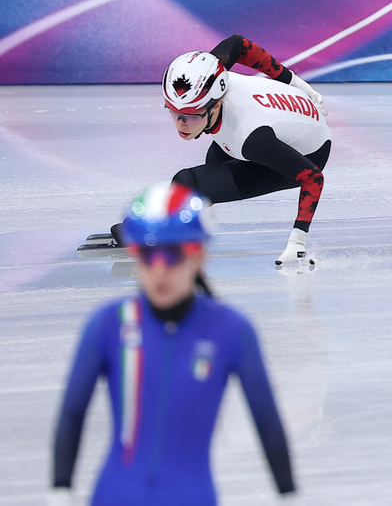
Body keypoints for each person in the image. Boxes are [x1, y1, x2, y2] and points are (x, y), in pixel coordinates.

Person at [52, 182, 296, 504]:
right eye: (147, 255)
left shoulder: (231, 331)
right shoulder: (108, 325)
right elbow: (72, 412)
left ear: (200, 255)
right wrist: (59, 492)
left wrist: (289, 496)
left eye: (173, 255)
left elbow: (266, 419)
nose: (160, 270)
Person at [113, 34, 330, 267]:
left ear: (215, 104)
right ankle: (178, 226)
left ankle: (163, 230)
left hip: (308, 152)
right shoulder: (211, 72)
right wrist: (293, 81)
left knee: (189, 182)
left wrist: (298, 239)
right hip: (279, 116)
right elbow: (239, 44)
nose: (180, 124)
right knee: (208, 174)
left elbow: (313, 177)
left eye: (191, 116)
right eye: (174, 112)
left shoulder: (251, 138)